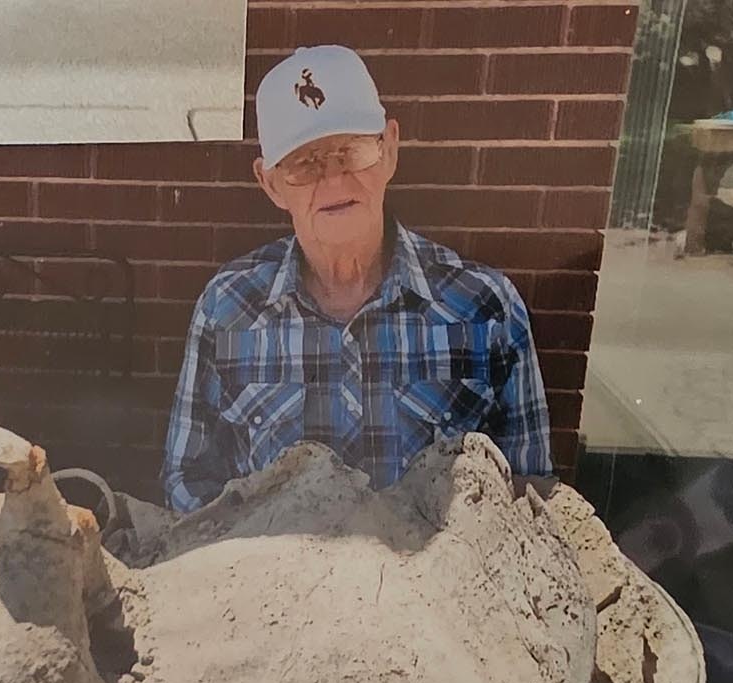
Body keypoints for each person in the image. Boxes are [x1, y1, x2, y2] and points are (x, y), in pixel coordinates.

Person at [161, 45, 553, 513]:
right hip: (274, 581)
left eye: (352, 150)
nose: (334, 179)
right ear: (270, 183)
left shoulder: (486, 308)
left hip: (433, 583)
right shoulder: (226, 308)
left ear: (389, 149)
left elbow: (530, 498)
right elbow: (188, 481)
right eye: (304, 162)